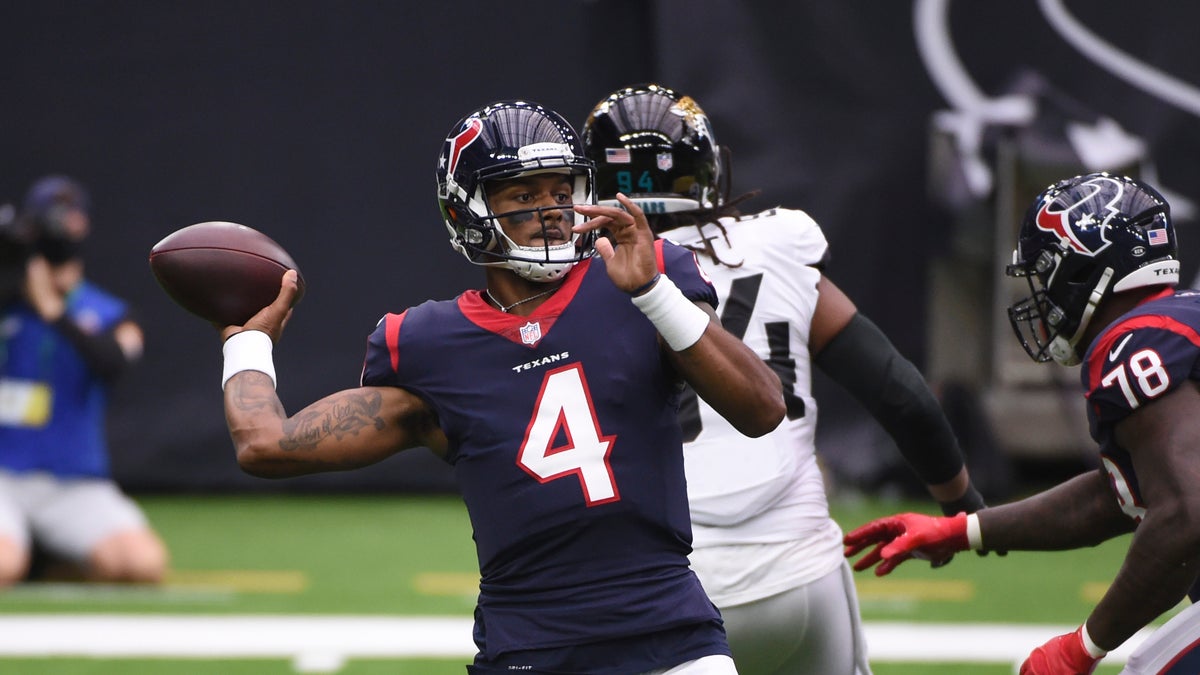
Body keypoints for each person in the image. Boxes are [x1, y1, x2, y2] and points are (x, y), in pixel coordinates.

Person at [216, 100, 786, 674]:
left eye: (561, 192)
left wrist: (653, 292)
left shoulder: (641, 279)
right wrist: (247, 342)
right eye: (523, 196)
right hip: (529, 649)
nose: (552, 212)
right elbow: (265, 445)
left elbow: (762, 409)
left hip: (671, 634)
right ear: (466, 209)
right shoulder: (427, 343)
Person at [580, 83, 986, 675]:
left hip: (659, 588)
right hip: (796, 576)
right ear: (707, 169)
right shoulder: (773, 245)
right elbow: (897, 390)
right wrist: (960, 504)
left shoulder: (578, 281)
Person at [843, 172, 1200, 674]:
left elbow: (1186, 512)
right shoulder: (1177, 323)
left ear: (1085, 271)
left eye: (1048, 273)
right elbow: (1120, 495)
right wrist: (966, 531)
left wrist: (1084, 647)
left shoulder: (1135, 346)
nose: (1045, 299)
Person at [0, 175, 168, 585]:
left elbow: (113, 363)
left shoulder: (111, 313)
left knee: (141, 566)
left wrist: (55, 311)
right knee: (3, 565)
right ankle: (25, 556)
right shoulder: (7, 304)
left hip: (73, 482)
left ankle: (48, 554)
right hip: (4, 476)